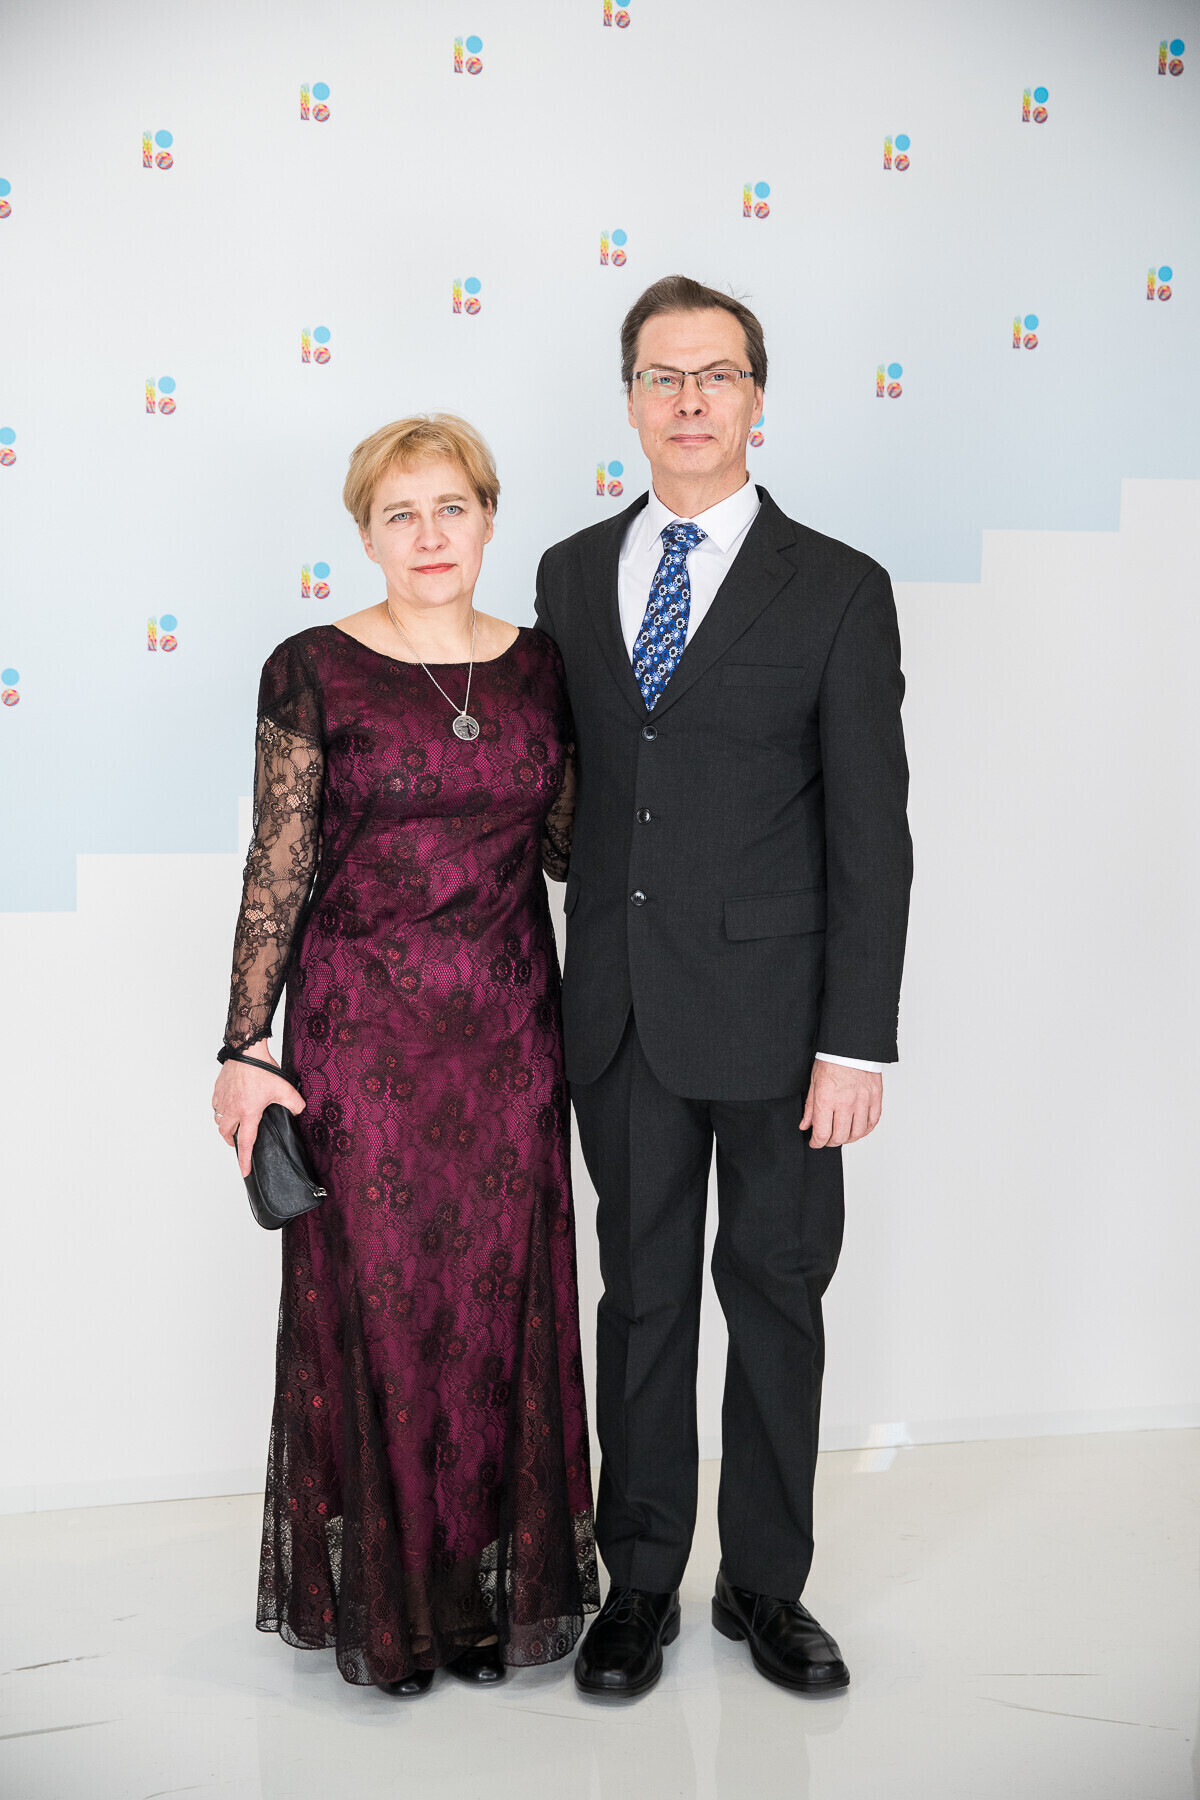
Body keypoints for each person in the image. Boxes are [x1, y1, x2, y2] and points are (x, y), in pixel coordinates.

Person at [534, 276, 912, 1698]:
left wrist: (856, 1042)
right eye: (663, 376)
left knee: (776, 1296)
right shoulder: (570, 573)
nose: (689, 400)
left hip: (782, 1022)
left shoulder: (839, 586)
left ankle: (764, 1583)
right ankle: (639, 1581)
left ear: (757, 398)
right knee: (638, 1302)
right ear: (630, 401)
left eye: (717, 375)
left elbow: (873, 831)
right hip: (620, 1011)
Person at [211, 414, 598, 1696]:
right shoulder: (313, 667)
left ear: (489, 518)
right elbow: (278, 864)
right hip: (360, 1041)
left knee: (494, 1309)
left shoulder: (543, 668)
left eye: (452, 508)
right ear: (366, 535)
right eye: (401, 514)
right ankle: (390, 1603)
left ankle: (476, 1593)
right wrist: (242, 1043)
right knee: (381, 1308)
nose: (430, 536)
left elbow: (572, 848)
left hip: (511, 1044)